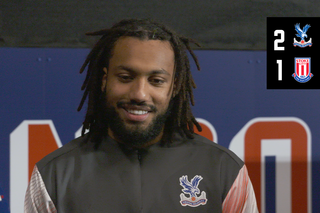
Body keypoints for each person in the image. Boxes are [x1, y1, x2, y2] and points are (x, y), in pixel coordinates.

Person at [24, 19, 258, 213]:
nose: (139, 94)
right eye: (125, 77)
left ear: (174, 87)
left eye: (156, 81)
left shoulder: (224, 170)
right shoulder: (53, 175)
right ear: (105, 80)